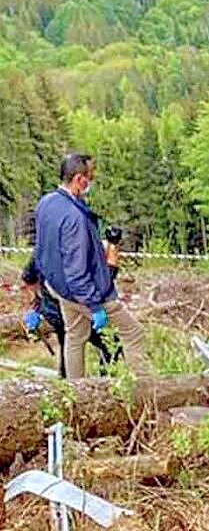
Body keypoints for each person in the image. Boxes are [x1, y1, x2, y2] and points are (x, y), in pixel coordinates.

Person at [32, 154, 149, 379]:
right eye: (90, 177)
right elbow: (77, 269)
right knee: (133, 332)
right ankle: (146, 389)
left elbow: (43, 248)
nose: (91, 182)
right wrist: (95, 306)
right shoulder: (74, 218)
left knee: (75, 336)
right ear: (78, 179)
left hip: (60, 288)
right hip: (84, 292)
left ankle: (76, 391)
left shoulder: (47, 203)